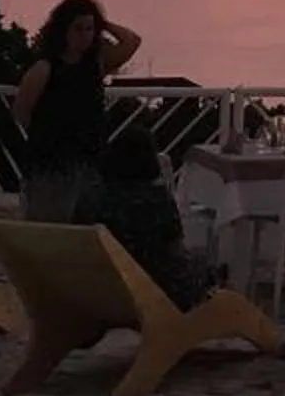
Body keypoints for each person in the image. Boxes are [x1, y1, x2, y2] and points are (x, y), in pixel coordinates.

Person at [13, 0, 142, 222]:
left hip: (88, 161)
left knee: (85, 224)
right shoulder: (45, 68)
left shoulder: (95, 65)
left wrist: (103, 23)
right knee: (50, 226)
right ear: (64, 30)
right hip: (51, 164)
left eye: (89, 29)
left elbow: (131, 41)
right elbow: (22, 111)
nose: (84, 35)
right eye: (78, 28)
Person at [79, 131, 215, 311]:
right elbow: (176, 248)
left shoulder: (90, 198)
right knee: (203, 263)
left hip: (101, 288)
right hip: (154, 288)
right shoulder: (157, 199)